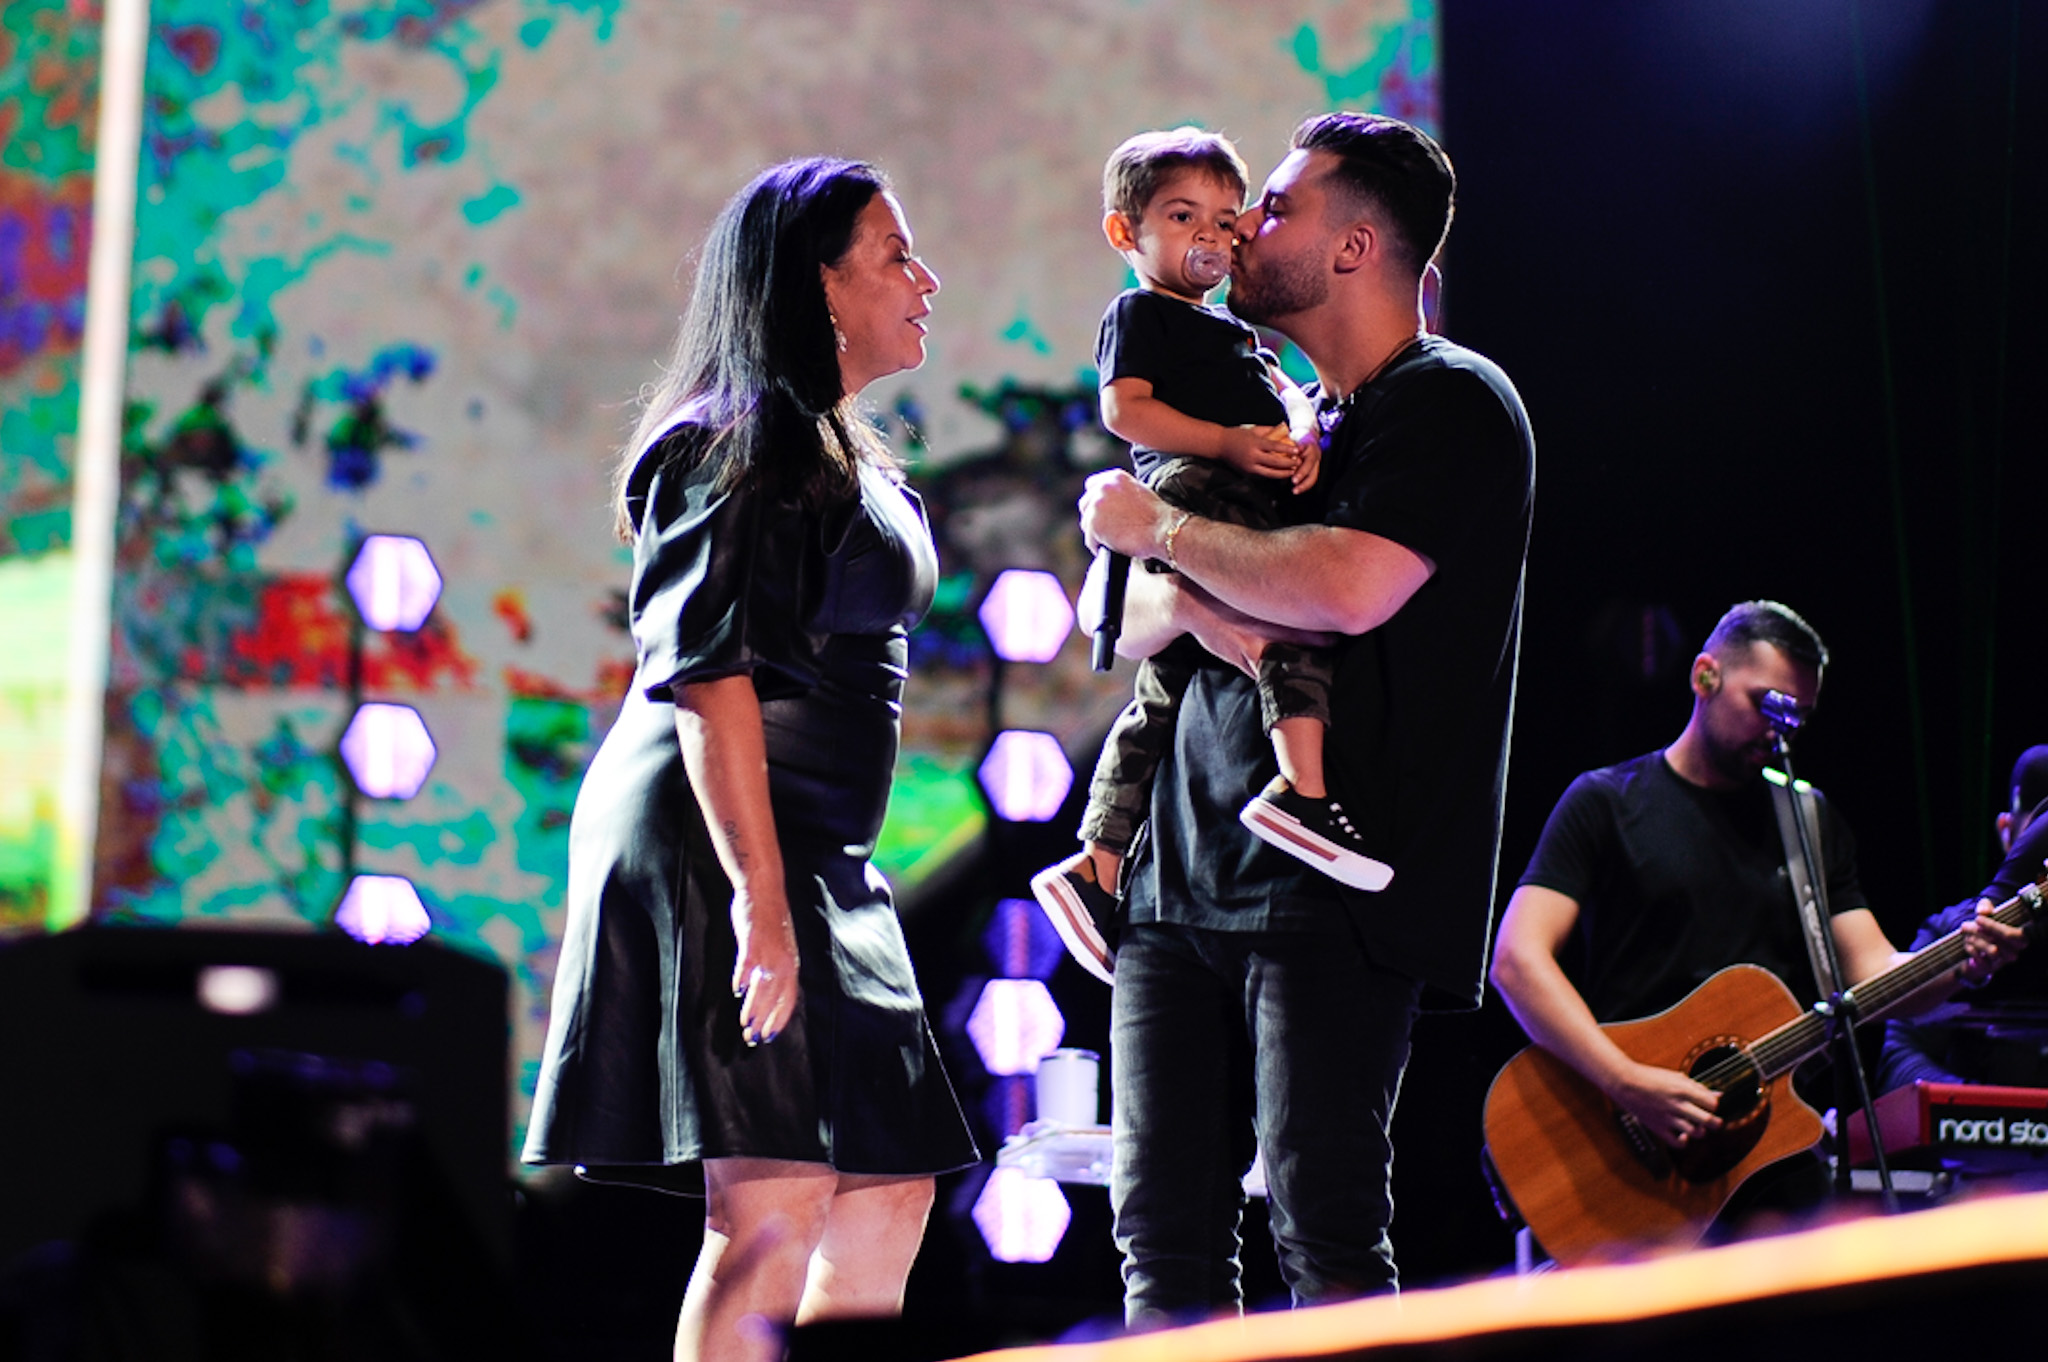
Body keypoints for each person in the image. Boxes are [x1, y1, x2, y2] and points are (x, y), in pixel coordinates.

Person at [1077, 112, 1535, 1322]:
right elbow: (1121, 623)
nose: (1239, 229)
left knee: (1320, 1222)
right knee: (1160, 1238)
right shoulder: (1284, 419)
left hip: (1337, 881)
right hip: (1178, 871)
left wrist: (1161, 537)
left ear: (1353, 247)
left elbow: (1343, 586)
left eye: (1272, 206)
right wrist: (1173, 575)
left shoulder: (1448, 400)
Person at [521, 158, 977, 1362]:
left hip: (822, 856)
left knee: (885, 1192)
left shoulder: (843, 451)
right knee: (770, 1207)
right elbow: (706, 677)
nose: (923, 280)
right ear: (816, 284)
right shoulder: (728, 446)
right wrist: (759, 906)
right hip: (719, 845)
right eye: (894, 255)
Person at [1490, 601, 2025, 1228]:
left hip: (1773, 1156)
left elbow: (1874, 972)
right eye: (1767, 705)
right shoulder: (1605, 802)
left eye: (1797, 715)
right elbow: (1517, 960)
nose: (1782, 731)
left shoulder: (1809, 820)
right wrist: (1628, 1081)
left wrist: (1967, 960)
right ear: (1704, 677)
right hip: (1636, 1144)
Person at [1031, 126, 1382, 988]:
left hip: (1228, 498)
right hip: (1192, 492)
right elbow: (1126, 414)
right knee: (1286, 632)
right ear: (1127, 233)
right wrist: (1227, 445)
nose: (1213, 240)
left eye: (1228, 222)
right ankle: (1302, 794)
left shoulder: (1233, 335)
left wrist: (1299, 441)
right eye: (1184, 216)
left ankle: (1096, 862)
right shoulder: (1140, 315)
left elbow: (1290, 402)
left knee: (1164, 694)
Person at [1879, 745, 2048, 1092]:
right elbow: (1899, 1055)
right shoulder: (1951, 930)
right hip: (1967, 1143)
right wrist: (1987, 1109)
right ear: (2006, 831)